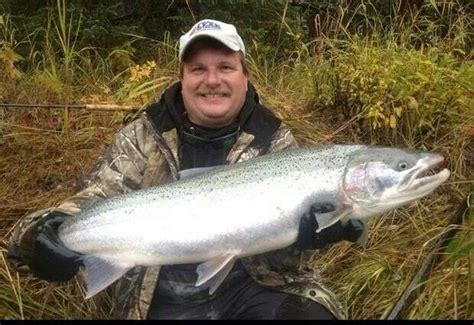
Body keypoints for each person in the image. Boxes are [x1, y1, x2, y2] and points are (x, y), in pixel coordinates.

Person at [7, 19, 363, 320]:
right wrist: (40, 236)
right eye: (198, 69)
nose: (212, 80)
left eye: (225, 67)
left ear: (245, 76)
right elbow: (91, 199)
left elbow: (282, 255)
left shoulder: (274, 140)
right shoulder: (142, 134)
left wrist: (312, 236)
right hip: (158, 299)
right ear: (182, 78)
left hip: (251, 292)